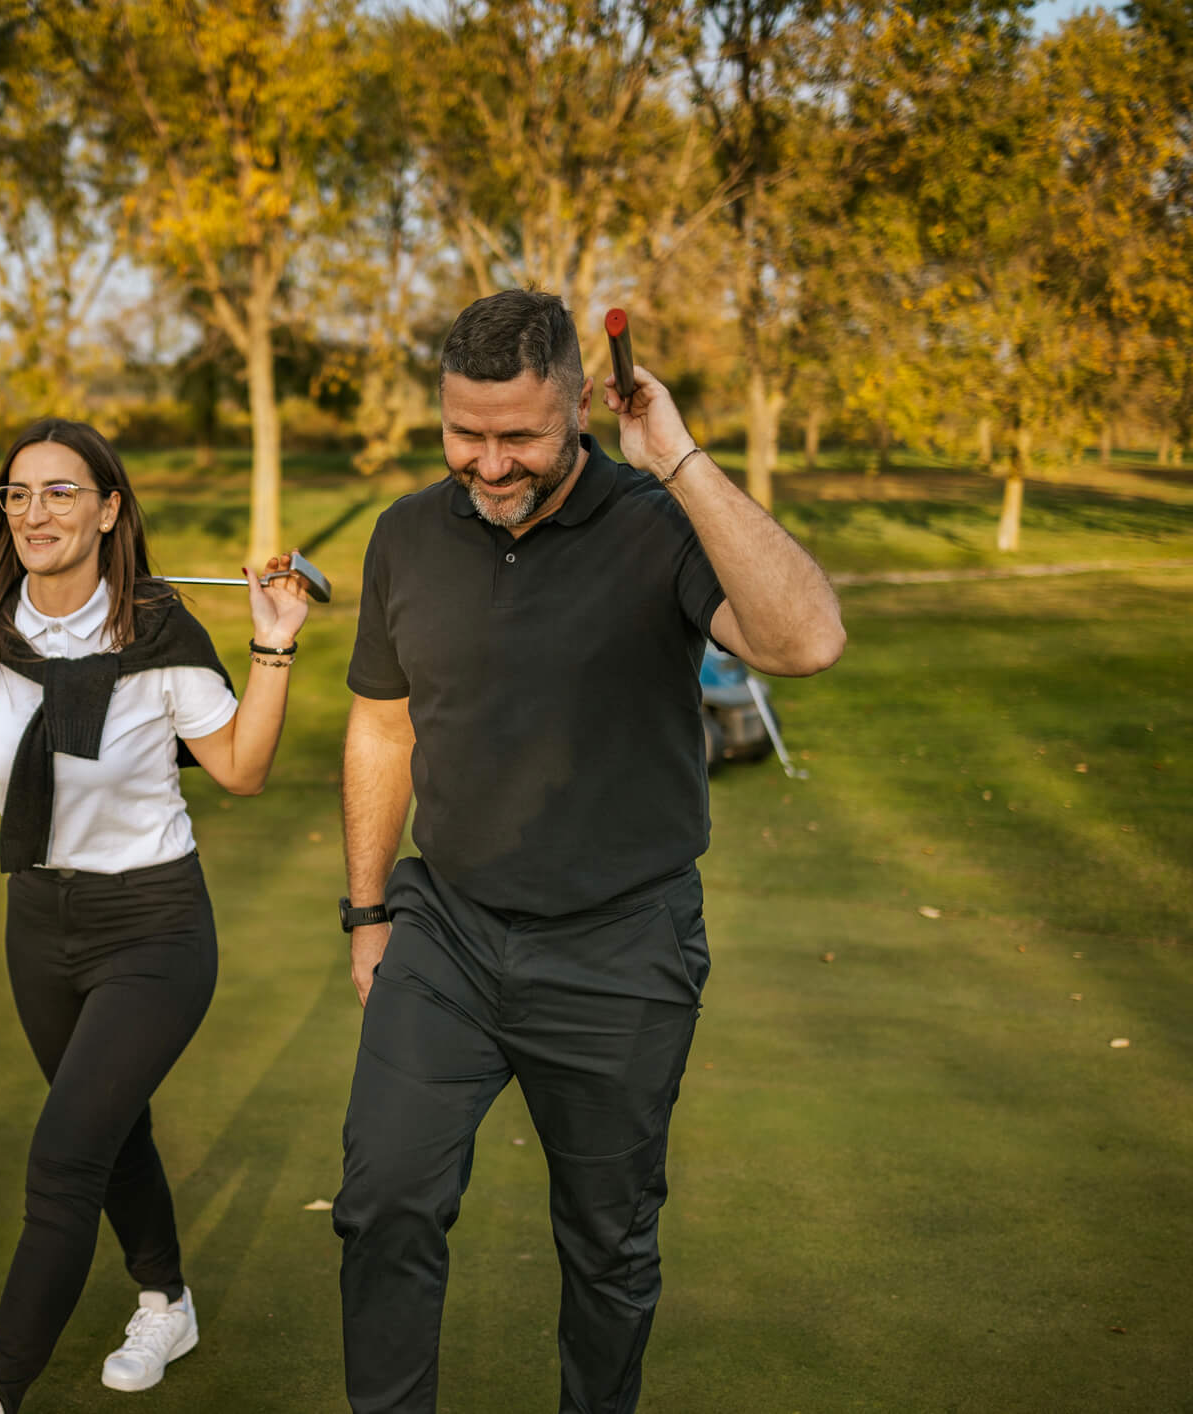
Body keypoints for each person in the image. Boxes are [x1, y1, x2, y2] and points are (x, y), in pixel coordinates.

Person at [332, 290, 846, 1414]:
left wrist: (681, 460)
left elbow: (806, 639)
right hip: (447, 933)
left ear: (582, 402)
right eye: (465, 432)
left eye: (518, 433)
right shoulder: (408, 534)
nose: (488, 460)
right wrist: (368, 912)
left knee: (607, 1245)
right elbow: (382, 720)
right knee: (384, 1202)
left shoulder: (663, 523)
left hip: (622, 948)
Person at [0, 417, 312, 1414]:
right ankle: (167, 1300)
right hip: (38, 927)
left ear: (108, 511)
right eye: (18, 494)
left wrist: (271, 648)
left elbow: (242, 768)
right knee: (107, 1130)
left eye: (61, 492)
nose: (34, 512)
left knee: (65, 1154)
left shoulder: (162, 631)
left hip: (154, 927)